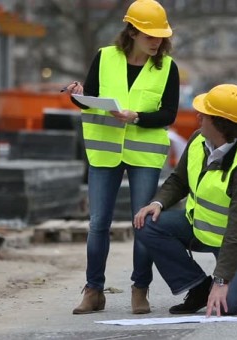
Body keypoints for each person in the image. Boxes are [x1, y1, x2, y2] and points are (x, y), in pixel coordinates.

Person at [63, 0, 179, 315]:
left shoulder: (167, 67)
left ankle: (140, 289)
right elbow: (92, 102)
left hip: (144, 154)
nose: (156, 41)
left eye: (160, 36)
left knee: (142, 225)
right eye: (149, 35)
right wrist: (79, 95)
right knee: (98, 223)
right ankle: (93, 291)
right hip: (104, 150)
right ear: (132, 31)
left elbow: (169, 113)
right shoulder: (104, 57)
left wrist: (137, 116)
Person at [133, 84, 237, 316]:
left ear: (221, 123)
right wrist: (157, 203)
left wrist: (221, 281)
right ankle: (198, 286)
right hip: (201, 226)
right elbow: (179, 180)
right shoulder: (198, 140)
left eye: (205, 114)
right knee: (147, 224)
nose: (198, 116)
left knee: (226, 306)